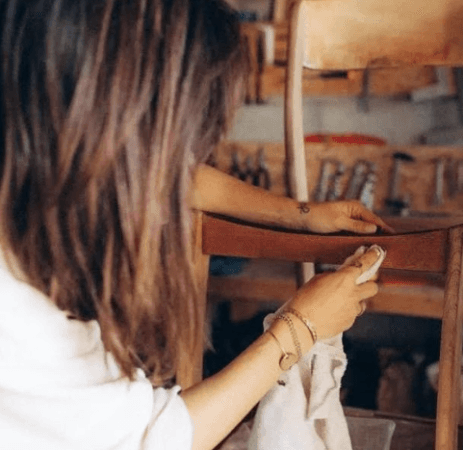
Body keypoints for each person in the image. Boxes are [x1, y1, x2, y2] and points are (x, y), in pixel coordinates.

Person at [0, 1, 387, 449]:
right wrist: (301, 327)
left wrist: (299, 213)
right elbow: (152, 440)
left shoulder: (36, 165)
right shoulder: (19, 314)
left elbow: (163, 174)